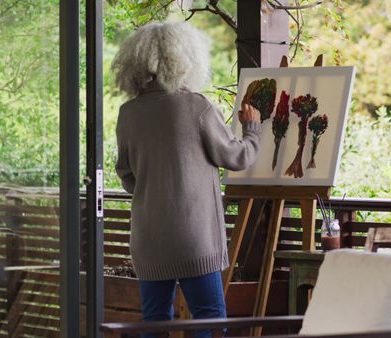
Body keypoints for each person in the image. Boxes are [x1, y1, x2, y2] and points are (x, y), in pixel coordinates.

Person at [112, 22, 261, 338]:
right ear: (185, 59)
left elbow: (126, 174)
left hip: (149, 238)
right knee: (207, 318)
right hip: (194, 239)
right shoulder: (196, 106)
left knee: (154, 320)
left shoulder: (128, 113)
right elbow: (236, 158)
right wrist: (252, 130)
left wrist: (156, 192)